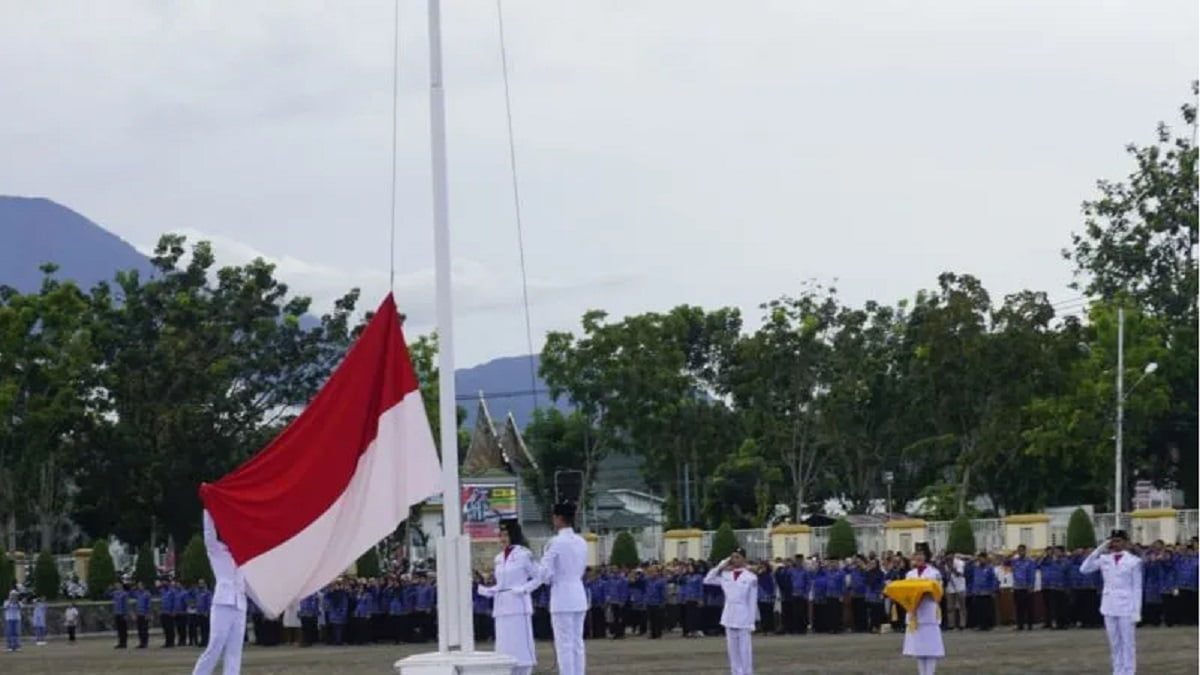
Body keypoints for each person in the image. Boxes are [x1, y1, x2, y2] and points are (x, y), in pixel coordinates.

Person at [477, 519, 542, 675]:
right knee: (504, 646)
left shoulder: (524, 554)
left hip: (519, 605)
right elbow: (501, 584)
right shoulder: (498, 558)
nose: (503, 538)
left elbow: (539, 577)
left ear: (514, 534)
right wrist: (487, 590)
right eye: (501, 535)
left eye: (506, 534)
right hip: (502, 607)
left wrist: (524, 589)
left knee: (521, 646)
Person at [191, 510, 248, 675]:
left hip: (240, 605)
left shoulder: (243, 554)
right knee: (215, 644)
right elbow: (208, 534)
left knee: (235, 651)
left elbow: (248, 584)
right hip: (223, 603)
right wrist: (209, 509)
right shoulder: (217, 551)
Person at [1080, 530, 1143, 675]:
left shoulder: (1134, 561)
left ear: (1126, 543)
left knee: (1128, 643)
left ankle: (1129, 671)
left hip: (1127, 606)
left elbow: (1137, 588)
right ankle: (1117, 671)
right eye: (1113, 541)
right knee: (1114, 643)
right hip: (1108, 606)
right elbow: (1084, 569)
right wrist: (1101, 547)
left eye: (1119, 541)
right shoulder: (1104, 559)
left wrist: (1136, 612)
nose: (1116, 544)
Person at [538, 501, 588, 675]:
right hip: (578, 594)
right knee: (577, 642)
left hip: (562, 596)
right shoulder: (582, 541)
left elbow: (545, 574)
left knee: (564, 644)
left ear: (559, 518)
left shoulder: (555, 542)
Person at [704, 547, 758, 675]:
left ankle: (747, 672)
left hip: (744, 614)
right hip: (729, 614)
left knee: (745, 649)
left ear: (744, 559)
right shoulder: (725, 574)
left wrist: (751, 621)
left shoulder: (751, 577)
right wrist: (721, 565)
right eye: (733, 557)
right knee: (732, 650)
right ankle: (735, 672)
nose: (735, 560)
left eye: (738, 557)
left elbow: (752, 601)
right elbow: (708, 579)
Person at [902, 545, 944, 675]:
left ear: (926, 557)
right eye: (916, 554)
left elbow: (938, 592)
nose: (919, 557)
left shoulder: (934, 573)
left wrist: (925, 592)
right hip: (915, 613)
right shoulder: (910, 574)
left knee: (930, 649)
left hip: (929, 612)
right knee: (918, 649)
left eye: (922, 554)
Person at [1010, 545, 1036, 631]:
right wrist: (1011, 554)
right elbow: (1005, 562)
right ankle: (1020, 625)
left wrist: (1031, 586)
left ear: (1025, 551)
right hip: (1017, 587)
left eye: (1022, 551)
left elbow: (1032, 574)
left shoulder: (1030, 561)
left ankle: (1030, 625)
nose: (1020, 552)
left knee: (1029, 607)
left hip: (1027, 587)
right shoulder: (1014, 561)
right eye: (1019, 551)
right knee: (1019, 607)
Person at [112, 582, 131, 649]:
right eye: (116, 584)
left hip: (122, 613)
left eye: (118, 584)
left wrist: (126, 614)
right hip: (117, 613)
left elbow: (126, 605)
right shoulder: (115, 593)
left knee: (123, 629)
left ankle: (124, 643)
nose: (116, 585)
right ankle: (120, 642)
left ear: (121, 585)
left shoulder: (124, 594)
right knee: (119, 629)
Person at [134, 582, 152, 648]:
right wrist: (135, 613)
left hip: (144, 614)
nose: (139, 587)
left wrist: (148, 613)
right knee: (139, 629)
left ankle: (145, 643)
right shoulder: (137, 594)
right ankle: (141, 642)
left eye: (140, 585)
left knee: (144, 629)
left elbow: (149, 605)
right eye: (138, 586)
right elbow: (136, 604)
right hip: (139, 613)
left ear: (144, 586)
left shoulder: (147, 594)